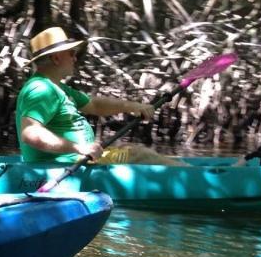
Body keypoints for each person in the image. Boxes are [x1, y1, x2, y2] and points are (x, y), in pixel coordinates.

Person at [16, 27, 187, 166]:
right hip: (64, 166)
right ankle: (193, 178)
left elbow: (94, 105)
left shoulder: (57, 88)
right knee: (138, 155)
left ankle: (186, 171)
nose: (75, 58)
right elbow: (30, 133)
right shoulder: (41, 89)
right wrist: (79, 148)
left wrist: (134, 107)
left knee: (128, 148)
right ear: (56, 58)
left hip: (80, 160)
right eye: (71, 53)